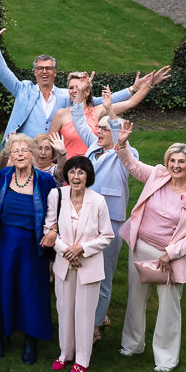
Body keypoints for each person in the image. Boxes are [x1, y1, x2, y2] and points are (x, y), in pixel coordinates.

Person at [116, 128, 186, 372]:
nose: (175, 165)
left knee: (169, 306)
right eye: (172, 160)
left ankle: (166, 359)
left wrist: (172, 253)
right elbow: (133, 166)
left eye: (181, 162)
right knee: (135, 297)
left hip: (169, 258)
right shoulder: (157, 175)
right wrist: (123, 144)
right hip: (140, 247)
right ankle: (132, 344)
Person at [0, 16, 135, 136]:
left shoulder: (66, 95)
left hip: (54, 156)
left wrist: (132, 88)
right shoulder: (23, 90)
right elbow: (3, 73)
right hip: (25, 151)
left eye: (48, 68)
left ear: (55, 72)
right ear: (34, 72)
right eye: (40, 68)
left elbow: (98, 102)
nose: (44, 72)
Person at [0, 132, 58, 363]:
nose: (20, 154)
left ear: (33, 154)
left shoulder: (45, 180)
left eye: (25, 150)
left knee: (30, 291)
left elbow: (55, 211)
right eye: (16, 151)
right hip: (4, 242)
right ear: (11, 156)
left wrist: (53, 231)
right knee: (0, 287)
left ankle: (30, 341)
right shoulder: (4, 175)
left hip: (32, 245)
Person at [42, 155, 113, 372]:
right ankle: (65, 353)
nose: (76, 176)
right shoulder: (57, 195)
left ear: (88, 176)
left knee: (84, 313)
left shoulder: (98, 201)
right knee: (64, 310)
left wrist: (80, 248)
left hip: (88, 265)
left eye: (81, 172)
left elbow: (107, 236)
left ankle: (82, 359)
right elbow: (49, 228)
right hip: (64, 263)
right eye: (72, 171)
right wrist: (66, 250)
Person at [76, 112, 136, 339]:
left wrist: (111, 114)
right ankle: (80, 317)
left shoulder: (127, 154)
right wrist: (80, 96)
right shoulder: (93, 147)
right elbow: (80, 123)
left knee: (103, 275)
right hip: (84, 216)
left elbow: (125, 153)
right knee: (82, 270)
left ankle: (95, 324)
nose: (98, 132)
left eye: (104, 129)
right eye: (99, 128)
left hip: (110, 221)